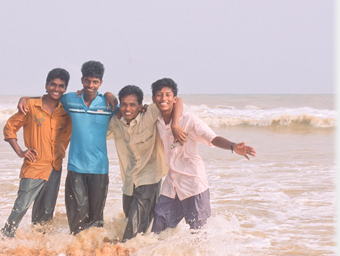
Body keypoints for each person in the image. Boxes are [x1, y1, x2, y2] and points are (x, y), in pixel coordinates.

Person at [18, 61, 118, 235]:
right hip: (75, 168)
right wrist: (24, 99)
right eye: (87, 81)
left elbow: (130, 110)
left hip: (100, 169)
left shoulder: (108, 104)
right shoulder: (70, 99)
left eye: (95, 82)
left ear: (101, 83)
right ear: (82, 80)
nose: (90, 86)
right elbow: (47, 99)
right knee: (77, 219)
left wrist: (111, 95)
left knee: (96, 219)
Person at [150, 78, 257, 234]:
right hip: (172, 183)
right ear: (153, 99)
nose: (163, 99)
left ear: (174, 98)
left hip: (193, 183)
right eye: (159, 95)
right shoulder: (157, 120)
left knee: (199, 233)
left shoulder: (188, 120)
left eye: (168, 95)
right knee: (159, 225)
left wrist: (232, 146)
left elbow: (212, 138)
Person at [107, 85, 186, 242]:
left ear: (140, 106)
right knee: (131, 223)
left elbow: (178, 102)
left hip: (149, 178)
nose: (127, 108)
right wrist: (108, 94)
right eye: (124, 104)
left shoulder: (149, 114)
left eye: (132, 105)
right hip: (130, 180)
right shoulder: (117, 121)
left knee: (133, 232)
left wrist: (175, 124)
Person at [0, 68, 72, 238]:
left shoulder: (66, 110)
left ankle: (38, 244)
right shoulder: (31, 106)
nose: (56, 89)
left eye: (61, 86)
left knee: (46, 210)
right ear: (46, 85)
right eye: (53, 85)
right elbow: (10, 127)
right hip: (35, 165)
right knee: (21, 206)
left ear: (65, 88)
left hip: (55, 166)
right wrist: (20, 151)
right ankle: (4, 238)